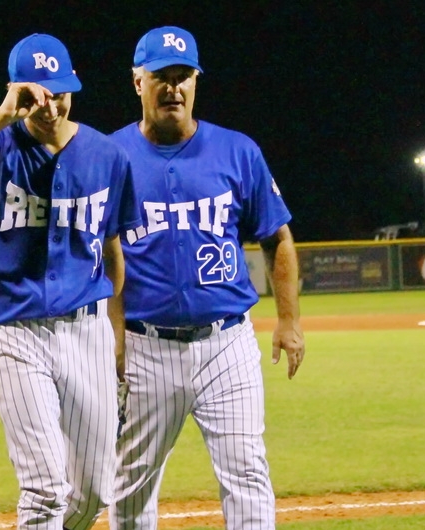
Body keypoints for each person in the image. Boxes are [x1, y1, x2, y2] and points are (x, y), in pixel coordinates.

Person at [0, 33, 140, 530]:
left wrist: (116, 336)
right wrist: (1, 115)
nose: (50, 105)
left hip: (88, 331)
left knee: (96, 490)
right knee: (45, 490)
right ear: (16, 91)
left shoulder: (108, 156)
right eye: (36, 94)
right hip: (16, 331)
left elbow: (112, 252)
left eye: (58, 92)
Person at [108, 27, 306, 530]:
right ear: (138, 82)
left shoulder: (238, 151)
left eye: (183, 77)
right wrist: (106, 340)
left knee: (246, 473)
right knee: (130, 485)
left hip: (227, 343)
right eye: (161, 78)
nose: (173, 88)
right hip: (143, 346)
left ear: (195, 82)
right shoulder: (110, 158)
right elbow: (93, 255)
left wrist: (289, 321)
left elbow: (277, 238)